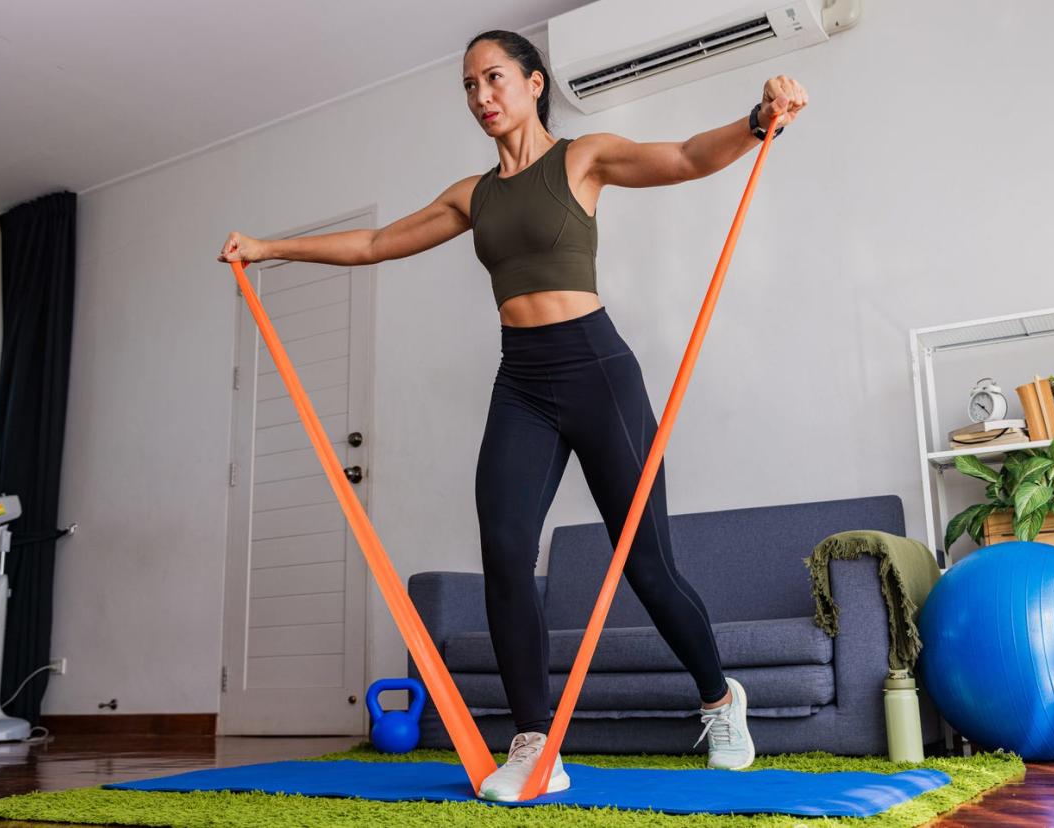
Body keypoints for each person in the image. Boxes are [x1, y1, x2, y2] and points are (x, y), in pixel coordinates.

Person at [219, 28, 806, 802]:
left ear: (534, 83)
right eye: (469, 87)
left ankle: (720, 699)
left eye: (493, 78)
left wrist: (758, 121)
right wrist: (268, 248)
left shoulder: (584, 158)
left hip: (598, 371)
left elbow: (689, 157)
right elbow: (374, 242)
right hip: (522, 382)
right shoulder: (474, 195)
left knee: (648, 565)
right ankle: (535, 742)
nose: (481, 97)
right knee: (503, 547)